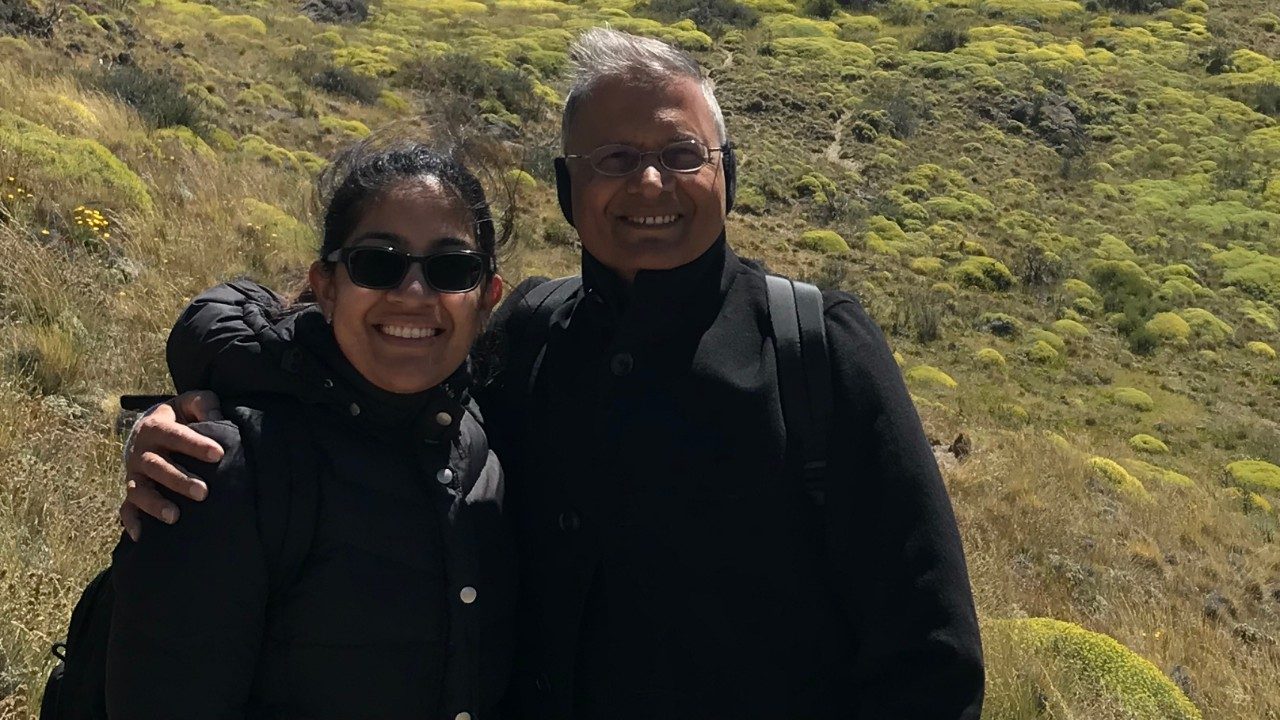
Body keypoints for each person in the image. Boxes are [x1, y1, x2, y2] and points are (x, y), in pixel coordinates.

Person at [118, 28, 984, 719]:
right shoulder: (529, 329)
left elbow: (931, 657)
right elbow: (362, 363)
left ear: (729, 176)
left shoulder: (816, 347)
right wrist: (195, 420)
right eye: (612, 158)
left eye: (683, 154)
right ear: (570, 188)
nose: (650, 180)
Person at [107, 142, 515, 718]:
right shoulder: (225, 472)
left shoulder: (487, 445)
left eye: (452, 269)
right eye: (379, 263)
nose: (414, 295)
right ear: (326, 286)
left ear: (488, 299)